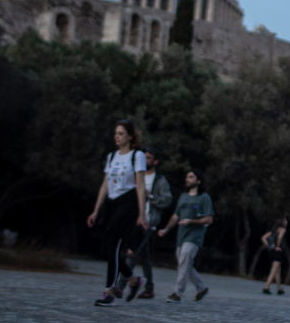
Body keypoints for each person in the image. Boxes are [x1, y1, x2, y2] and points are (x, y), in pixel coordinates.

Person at [86, 119, 149, 307]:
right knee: (110, 249)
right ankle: (133, 280)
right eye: (116, 133)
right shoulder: (112, 156)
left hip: (128, 204)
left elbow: (140, 185)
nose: (117, 137)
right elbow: (105, 184)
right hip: (112, 204)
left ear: (130, 136)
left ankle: (109, 292)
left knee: (113, 246)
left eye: (121, 133)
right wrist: (96, 210)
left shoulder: (137, 156)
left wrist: (141, 213)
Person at [115, 147, 173, 299]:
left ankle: (121, 286)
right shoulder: (137, 176)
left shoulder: (159, 180)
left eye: (149, 158)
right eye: (145, 157)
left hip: (148, 222)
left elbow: (167, 200)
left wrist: (152, 197)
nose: (146, 160)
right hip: (134, 220)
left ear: (155, 161)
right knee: (145, 257)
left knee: (132, 253)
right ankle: (149, 289)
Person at [158, 169, 213, 303]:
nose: (187, 179)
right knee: (185, 265)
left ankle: (177, 293)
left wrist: (191, 221)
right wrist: (166, 230)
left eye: (191, 177)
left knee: (184, 263)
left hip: (194, 236)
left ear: (198, 181)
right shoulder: (183, 197)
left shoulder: (204, 198)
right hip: (181, 236)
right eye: (187, 177)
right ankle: (201, 288)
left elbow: (209, 219)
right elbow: (175, 216)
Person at [261, 217, 288, 295]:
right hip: (278, 252)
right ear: (282, 222)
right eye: (286, 220)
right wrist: (277, 246)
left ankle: (279, 289)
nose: (287, 222)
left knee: (277, 271)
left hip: (272, 252)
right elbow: (280, 237)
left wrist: (269, 246)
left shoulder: (274, 230)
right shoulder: (282, 229)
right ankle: (266, 287)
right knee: (274, 270)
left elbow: (263, 238)